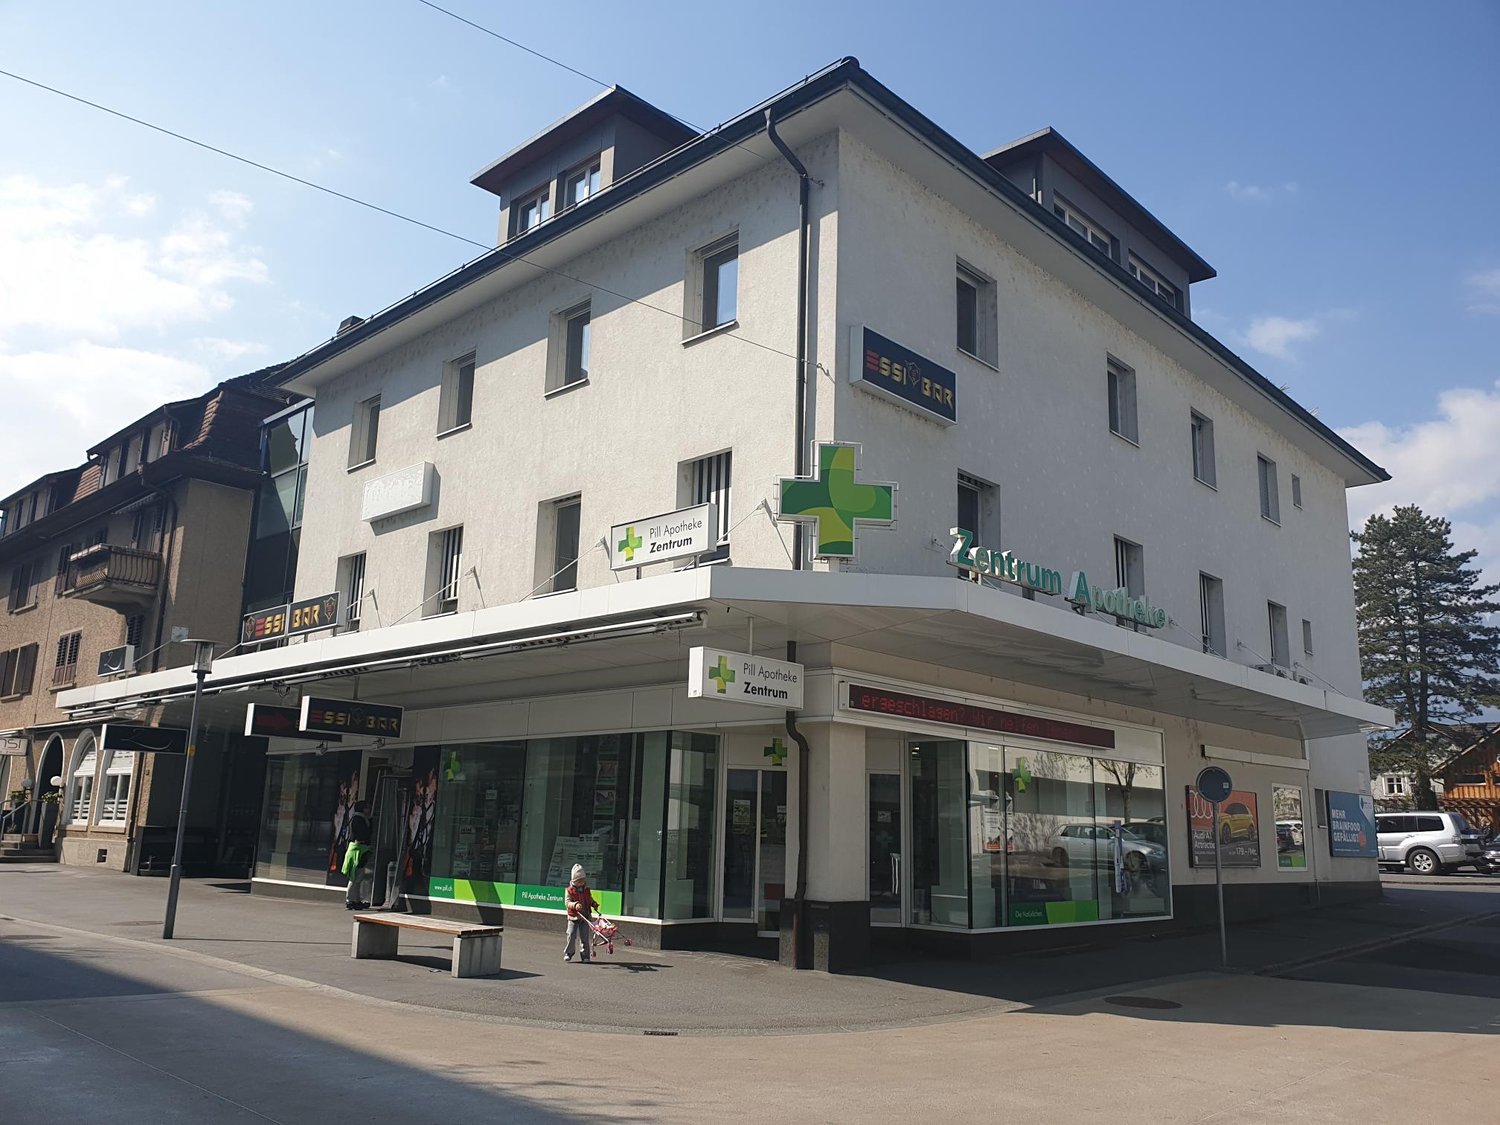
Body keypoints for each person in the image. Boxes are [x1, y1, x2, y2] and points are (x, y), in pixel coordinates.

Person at [343, 800, 374, 910]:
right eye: (367, 808)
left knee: (358, 877)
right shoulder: (358, 819)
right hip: (358, 849)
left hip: (360, 849)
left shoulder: (361, 819)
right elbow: (363, 834)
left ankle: (356, 899)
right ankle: (350, 900)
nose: (369, 810)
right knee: (355, 876)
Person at [563, 863, 597, 963]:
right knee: (571, 935)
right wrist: (575, 905)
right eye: (579, 881)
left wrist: (593, 903)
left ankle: (585, 956)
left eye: (583, 880)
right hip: (574, 917)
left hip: (585, 916)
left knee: (585, 937)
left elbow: (589, 899)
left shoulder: (586, 890)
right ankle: (569, 953)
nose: (581, 882)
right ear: (574, 881)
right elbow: (567, 902)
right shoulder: (569, 890)